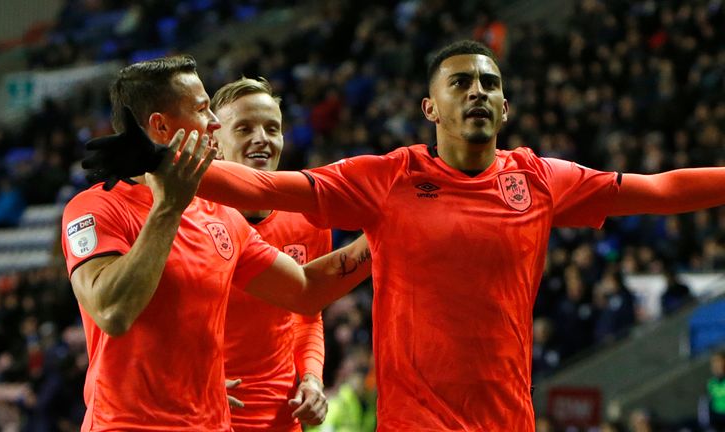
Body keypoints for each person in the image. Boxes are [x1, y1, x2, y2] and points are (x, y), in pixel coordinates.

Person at [82, 40, 725, 431]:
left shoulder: (541, 179)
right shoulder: (386, 181)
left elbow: (660, 189)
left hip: (508, 419)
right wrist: (159, 161)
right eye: (462, 82)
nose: (478, 92)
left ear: (505, 108)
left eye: (490, 85)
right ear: (430, 107)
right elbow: (267, 189)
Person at [63, 55, 371, 431]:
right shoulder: (95, 208)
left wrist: (384, 231)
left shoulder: (220, 216)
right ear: (161, 126)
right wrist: (168, 209)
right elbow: (113, 312)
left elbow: (305, 292)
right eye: (203, 109)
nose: (213, 123)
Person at [212, 77, 335, 430]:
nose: (261, 138)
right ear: (215, 144)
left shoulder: (308, 220)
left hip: (282, 417)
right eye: (244, 128)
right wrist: (188, 380)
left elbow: (307, 314)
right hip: (203, 412)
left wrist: (311, 377)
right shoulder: (187, 221)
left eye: (272, 128)